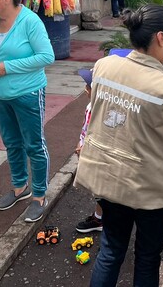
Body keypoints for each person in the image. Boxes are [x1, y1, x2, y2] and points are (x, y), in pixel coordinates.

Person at [75, 4, 163, 287]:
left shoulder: (104, 66)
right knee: (146, 258)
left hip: (110, 180)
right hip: (150, 189)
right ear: (159, 37)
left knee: (110, 250)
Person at [0, 0, 55, 223]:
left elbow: (46, 56)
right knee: (11, 142)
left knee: (34, 144)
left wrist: (7, 67)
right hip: (1, 96)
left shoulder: (29, 22)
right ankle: (20, 188)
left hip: (28, 93)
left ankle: (39, 196)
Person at [74, 68, 104, 233]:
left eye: (88, 86)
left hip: (95, 154)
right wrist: (80, 143)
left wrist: (85, 147)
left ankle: (103, 220)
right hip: (87, 151)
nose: (85, 89)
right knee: (97, 188)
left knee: (100, 187)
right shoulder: (91, 105)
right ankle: (99, 217)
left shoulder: (101, 109)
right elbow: (86, 129)